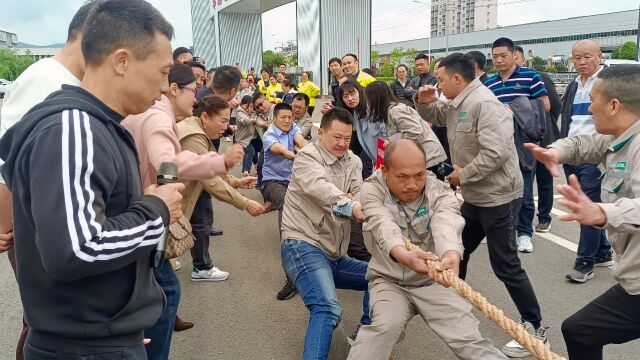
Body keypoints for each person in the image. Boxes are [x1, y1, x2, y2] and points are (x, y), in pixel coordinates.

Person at [0, 1, 184, 358]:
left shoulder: (96, 125)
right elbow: (76, 249)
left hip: (100, 338)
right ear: (122, 61)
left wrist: (122, 328)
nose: (165, 88)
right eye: (162, 72)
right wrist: (156, 209)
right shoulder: (74, 128)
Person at [414, 53, 549, 358]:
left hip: (498, 197)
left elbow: (496, 153)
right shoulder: (458, 101)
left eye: (441, 79)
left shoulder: (484, 104)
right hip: (475, 196)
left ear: (457, 79)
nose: (438, 84)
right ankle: (451, 301)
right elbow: (436, 114)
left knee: (505, 264)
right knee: (457, 246)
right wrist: (422, 101)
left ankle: (536, 328)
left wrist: (463, 174)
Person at [121, 62, 241, 359]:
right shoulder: (158, 116)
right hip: (144, 216)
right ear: (173, 89)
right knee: (166, 292)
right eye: (195, 86)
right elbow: (167, 167)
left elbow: (165, 168)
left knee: (157, 290)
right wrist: (219, 162)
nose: (198, 94)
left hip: (142, 212)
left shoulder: (159, 114)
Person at [347, 139, 507, 360]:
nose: (412, 184)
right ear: (385, 171)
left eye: (419, 175)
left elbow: (446, 220)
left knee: (470, 341)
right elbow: (382, 224)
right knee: (382, 330)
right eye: (402, 177)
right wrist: (403, 255)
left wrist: (450, 253)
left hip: (434, 280)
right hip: (389, 281)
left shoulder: (438, 189)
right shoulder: (371, 190)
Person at [526, 65, 640, 360]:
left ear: (614, 105)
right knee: (580, 330)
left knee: (580, 330)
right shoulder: (622, 136)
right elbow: (583, 143)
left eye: (594, 100)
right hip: (634, 276)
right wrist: (556, 151)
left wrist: (601, 213)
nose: (589, 108)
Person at [0, 3, 93, 359]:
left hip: (48, 228)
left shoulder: (66, 81)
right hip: (35, 232)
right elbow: (6, 160)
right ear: (87, 36)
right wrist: (4, 227)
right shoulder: (46, 80)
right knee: (42, 325)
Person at [280, 107, 370, 360]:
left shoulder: (354, 161)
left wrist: (356, 201)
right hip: (302, 245)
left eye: (347, 138)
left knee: (382, 275)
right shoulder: (307, 157)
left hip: (334, 254)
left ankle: (366, 337)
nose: (342, 143)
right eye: (336, 137)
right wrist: (351, 204)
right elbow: (322, 189)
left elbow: (360, 192)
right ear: (321, 133)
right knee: (327, 309)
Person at [178, 95, 270, 283]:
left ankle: (193, 264)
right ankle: (195, 266)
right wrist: (245, 203)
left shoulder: (194, 128)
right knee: (165, 283)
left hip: (180, 197)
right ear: (205, 116)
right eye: (223, 121)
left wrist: (236, 182)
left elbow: (208, 168)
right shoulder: (194, 136)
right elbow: (211, 181)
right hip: (170, 202)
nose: (227, 127)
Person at [484, 37, 550, 254]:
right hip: (497, 143)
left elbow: (545, 106)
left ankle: (524, 233)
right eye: (495, 57)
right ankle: (503, 230)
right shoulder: (490, 82)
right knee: (497, 188)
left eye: (503, 55)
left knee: (524, 189)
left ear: (514, 55)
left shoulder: (531, 77)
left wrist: (514, 109)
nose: (499, 60)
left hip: (522, 143)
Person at [554, 39, 613, 282]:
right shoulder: (574, 85)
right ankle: (603, 251)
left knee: (586, 205)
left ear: (598, 55)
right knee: (584, 203)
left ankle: (584, 262)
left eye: (587, 57)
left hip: (595, 155)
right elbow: (566, 117)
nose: (581, 62)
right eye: (577, 58)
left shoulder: (608, 83)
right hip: (572, 153)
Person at [260, 102, 308, 300]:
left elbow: (301, 141)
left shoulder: (294, 128)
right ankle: (291, 276)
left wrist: (310, 150)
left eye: (290, 117)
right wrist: (298, 155)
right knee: (287, 205)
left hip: (294, 181)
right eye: (283, 118)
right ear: (274, 119)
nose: (287, 121)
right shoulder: (269, 135)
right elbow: (281, 151)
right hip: (272, 182)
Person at [513, 45, 562, 238]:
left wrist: (541, 123)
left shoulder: (536, 77)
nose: (513, 63)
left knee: (544, 179)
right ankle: (522, 221)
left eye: (516, 59)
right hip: (520, 141)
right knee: (524, 182)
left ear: (522, 60)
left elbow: (553, 106)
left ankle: (544, 217)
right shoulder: (504, 81)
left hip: (542, 137)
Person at [362, 80, 447, 178]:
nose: (367, 102)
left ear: (375, 98)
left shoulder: (397, 110)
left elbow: (415, 131)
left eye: (368, 98)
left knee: (433, 191)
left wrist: (391, 140)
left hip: (430, 158)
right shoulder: (390, 112)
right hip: (425, 158)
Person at [235, 95, 259, 176]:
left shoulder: (253, 112)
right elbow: (244, 120)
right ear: (241, 105)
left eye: (251, 107)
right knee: (250, 151)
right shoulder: (239, 112)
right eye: (246, 107)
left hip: (253, 137)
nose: (249, 109)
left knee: (255, 152)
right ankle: (246, 171)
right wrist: (253, 120)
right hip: (243, 139)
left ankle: (258, 168)